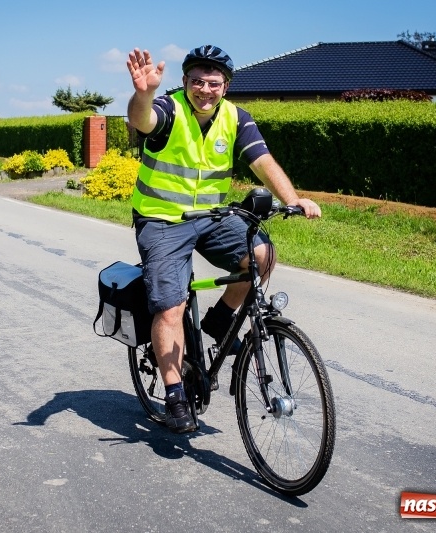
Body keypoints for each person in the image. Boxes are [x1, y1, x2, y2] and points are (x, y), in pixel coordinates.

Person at [126, 45, 322, 433]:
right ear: (184, 83)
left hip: (213, 218)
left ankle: (218, 323)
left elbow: (262, 160)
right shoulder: (169, 108)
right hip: (162, 220)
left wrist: (292, 198)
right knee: (170, 306)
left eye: (213, 83)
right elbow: (142, 119)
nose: (204, 89)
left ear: (225, 87)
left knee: (262, 255)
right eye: (196, 81)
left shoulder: (235, 118)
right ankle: (176, 395)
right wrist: (145, 92)